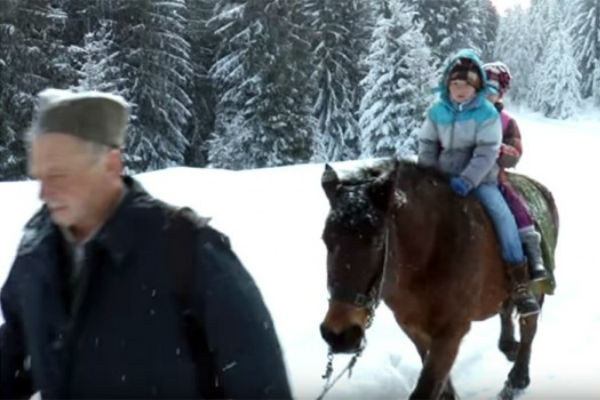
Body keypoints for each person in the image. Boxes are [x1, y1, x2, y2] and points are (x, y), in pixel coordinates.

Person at [0, 89, 292, 399]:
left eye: (59, 175)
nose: (44, 193)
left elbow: (260, 381)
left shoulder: (186, 249)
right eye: (39, 176)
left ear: (111, 164)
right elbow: (15, 353)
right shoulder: (38, 252)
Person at [417, 49, 540, 316]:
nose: (460, 90)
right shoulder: (437, 111)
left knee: (502, 214)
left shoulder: (487, 114)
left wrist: (467, 179)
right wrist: (426, 175)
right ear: (447, 85)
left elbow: (487, 151)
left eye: (467, 85)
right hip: (443, 177)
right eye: (455, 84)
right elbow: (427, 143)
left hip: (481, 179)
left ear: (477, 87)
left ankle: (519, 279)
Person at [483, 61, 549, 282]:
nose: (486, 95)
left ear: (500, 94)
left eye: (492, 90)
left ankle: (529, 255)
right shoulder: (463, 114)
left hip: (491, 177)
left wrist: (498, 150)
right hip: (457, 174)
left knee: (511, 208)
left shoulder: (506, 122)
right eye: (482, 88)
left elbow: (515, 151)